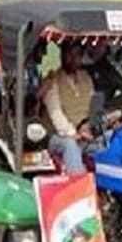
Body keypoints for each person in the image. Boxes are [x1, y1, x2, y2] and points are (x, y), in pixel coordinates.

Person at [42, 41, 96, 175]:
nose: (73, 59)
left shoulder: (86, 78)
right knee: (70, 145)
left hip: (86, 133)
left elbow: (93, 107)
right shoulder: (53, 80)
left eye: (77, 55)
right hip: (59, 135)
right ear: (62, 55)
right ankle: (79, 186)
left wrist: (90, 127)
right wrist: (74, 134)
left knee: (112, 140)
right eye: (69, 54)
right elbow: (56, 115)